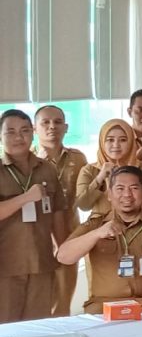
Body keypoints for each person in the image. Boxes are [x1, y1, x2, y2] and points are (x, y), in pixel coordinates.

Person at [58, 166, 142, 314]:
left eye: (134, 188)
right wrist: (96, 234)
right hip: (103, 307)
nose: (127, 194)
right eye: (120, 189)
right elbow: (63, 256)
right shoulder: (95, 225)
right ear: (109, 194)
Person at [0, 109, 70, 322]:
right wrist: (25, 198)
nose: (18, 137)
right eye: (10, 132)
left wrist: (64, 249)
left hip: (41, 261)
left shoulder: (46, 168)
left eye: (24, 131)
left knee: (39, 326)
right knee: (6, 330)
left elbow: (57, 212)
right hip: (6, 265)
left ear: (32, 133)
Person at [33, 105, 88, 317]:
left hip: (69, 235)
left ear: (66, 127)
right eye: (45, 122)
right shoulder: (28, 162)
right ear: (35, 128)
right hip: (37, 238)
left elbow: (83, 199)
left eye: (57, 122)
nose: (51, 127)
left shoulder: (77, 158)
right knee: (38, 303)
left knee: (64, 301)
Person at [75, 119, 142, 218]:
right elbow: (83, 205)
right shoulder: (89, 170)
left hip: (137, 228)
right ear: (102, 142)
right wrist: (100, 177)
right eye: (110, 140)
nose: (116, 145)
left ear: (131, 141)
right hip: (100, 229)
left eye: (123, 140)